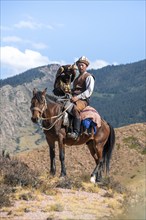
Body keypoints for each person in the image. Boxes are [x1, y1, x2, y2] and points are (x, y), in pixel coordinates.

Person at [67, 56, 95, 140]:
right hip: (74, 98)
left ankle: (76, 132)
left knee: (75, 109)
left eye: (82, 65)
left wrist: (77, 97)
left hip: (83, 100)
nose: (80, 67)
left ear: (86, 66)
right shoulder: (76, 79)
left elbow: (89, 91)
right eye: (79, 65)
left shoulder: (88, 77)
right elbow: (75, 90)